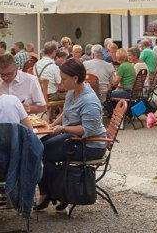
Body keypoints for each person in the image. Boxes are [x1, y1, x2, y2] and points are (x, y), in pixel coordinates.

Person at [36, 59, 106, 212]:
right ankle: (54, 192)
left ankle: (57, 193)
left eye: (64, 79)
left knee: (42, 154)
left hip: (91, 145)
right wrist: (52, 125)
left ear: (75, 79)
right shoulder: (72, 92)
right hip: (75, 139)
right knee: (38, 147)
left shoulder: (89, 101)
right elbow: (66, 112)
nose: (61, 82)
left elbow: (88, 130)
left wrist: (63, 129)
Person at [107, 48, 135, 116]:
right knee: (112, 93)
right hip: (132, 91)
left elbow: (116, 82)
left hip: (126, 91)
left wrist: (114, 73)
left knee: (107, 95)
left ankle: (112, 114)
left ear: (118, 57)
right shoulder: (129, 65)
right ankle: (118, 112)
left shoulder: (122, 66)